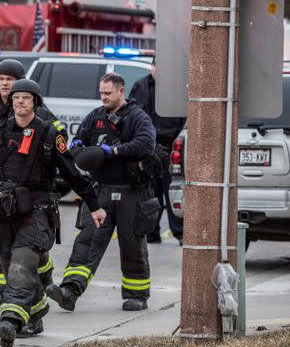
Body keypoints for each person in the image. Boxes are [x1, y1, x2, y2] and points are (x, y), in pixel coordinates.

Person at [0, 79, 106, 347]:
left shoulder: (50, 135)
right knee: (10, 267)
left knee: (21, 265)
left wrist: (94, 205)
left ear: (35, 103)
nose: (19, 101)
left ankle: (10, 320)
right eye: (16, 97)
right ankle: (37, 311)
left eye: (26, 97)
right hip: (2, 213)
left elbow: (72, 173)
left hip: (36, 214)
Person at [46, 72, 156, 312]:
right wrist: (76, 148)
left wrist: (112, 152)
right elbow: (79, 140)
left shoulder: (138, 117)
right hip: (101, 192)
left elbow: (146, 144)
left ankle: (136, 295)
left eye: (108, 93)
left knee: (132, 245)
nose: (103, 98)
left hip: (132, 193)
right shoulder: (95, 116)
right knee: (86, 241)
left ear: (121, 92)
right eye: (101, 93)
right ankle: (69, 291)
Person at [0, 59, 66, 306]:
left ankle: (44, 279)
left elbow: (60, 135)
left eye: (11, 79)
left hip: (29, 192)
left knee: (31, 242)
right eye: (2, 79)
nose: (6, 83)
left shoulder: (38, 112)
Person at [128, 59, 186, 244]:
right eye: (156, 66)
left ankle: (180, 233)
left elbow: (184, 115)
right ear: (152, 67)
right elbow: (133, 112)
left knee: (171, 191)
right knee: (151, 192)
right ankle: (151, 233)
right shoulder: (141, 86)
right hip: (149, 146)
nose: (158, 71)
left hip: (170, 144)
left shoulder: (177, 88)